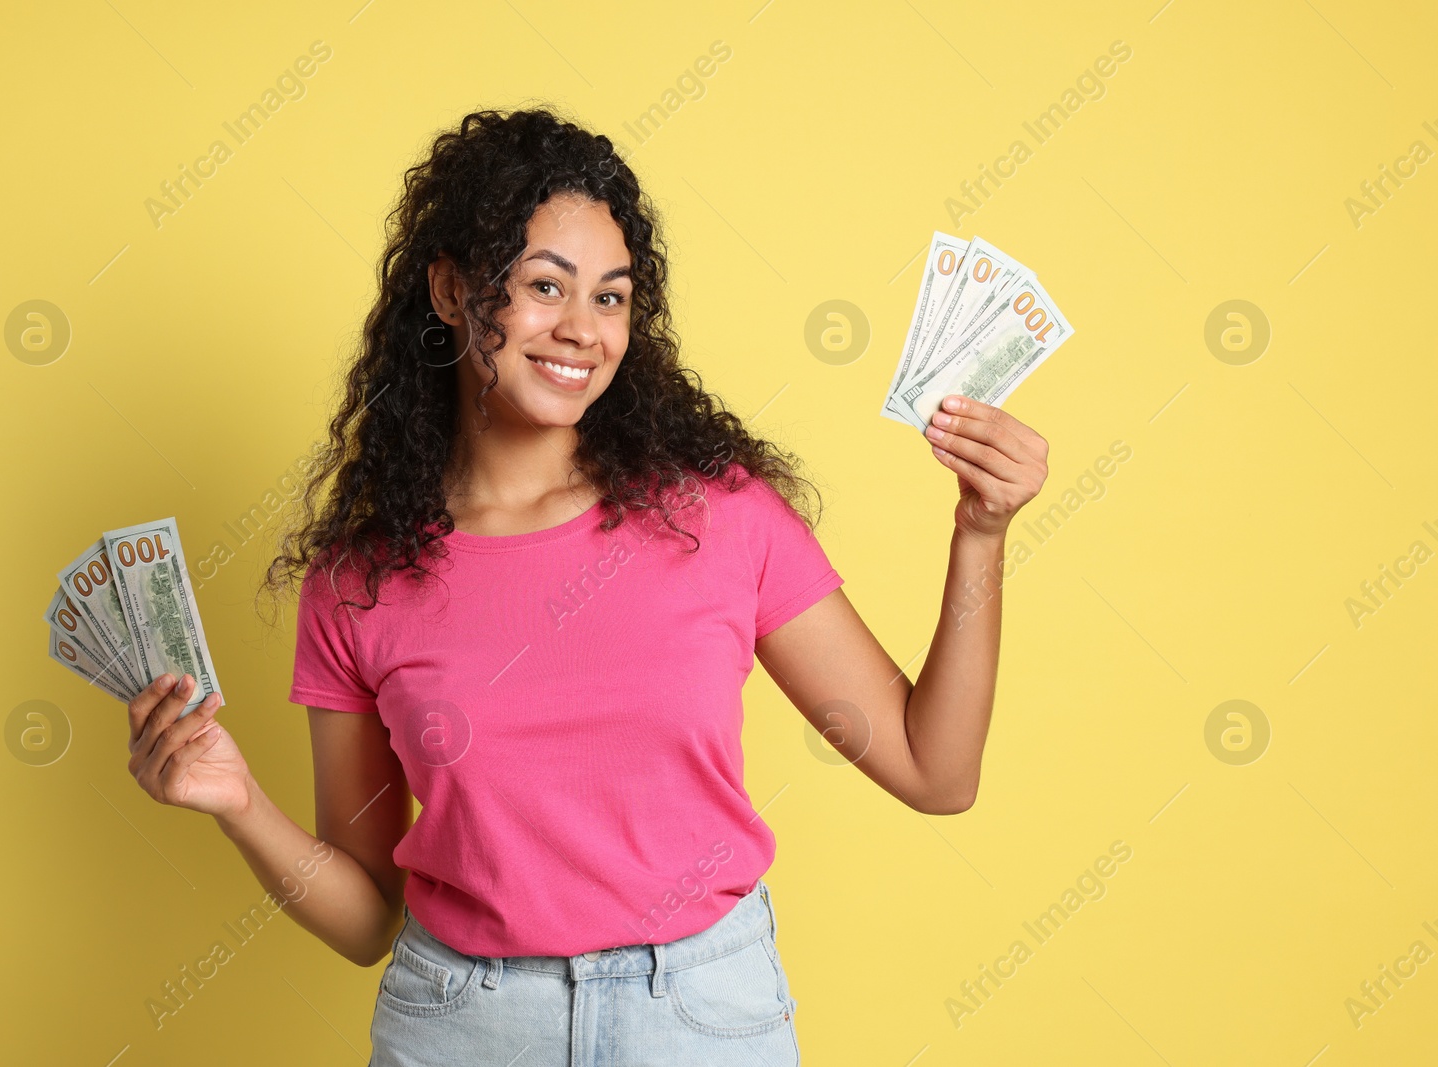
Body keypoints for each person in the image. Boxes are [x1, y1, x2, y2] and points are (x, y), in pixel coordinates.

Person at [122, 106, 1049, 1065]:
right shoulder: (360, 583)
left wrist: (981, 533)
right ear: (449, 290)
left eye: (611, 297)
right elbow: (364, 919)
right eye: (543, 286)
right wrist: (237, 801)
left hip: (697, 1013)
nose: (581, 329)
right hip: (461, 1023)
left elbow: (935, 772)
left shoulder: (720, 517)